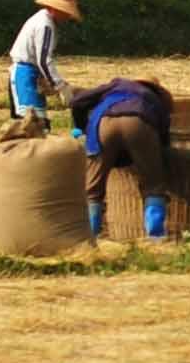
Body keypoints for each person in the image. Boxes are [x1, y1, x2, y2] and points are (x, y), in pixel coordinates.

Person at [69, 74, 174, 241]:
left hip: (104, 123)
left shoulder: (116, 85)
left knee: (93, 188)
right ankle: (155, 236)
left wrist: (82, 127)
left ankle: (88, 236)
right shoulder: (155, 99)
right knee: (154, 183)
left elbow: (76, 101)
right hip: (139, 122)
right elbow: (163, 135)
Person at [4, 0, 81, 130]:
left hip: (31, 74)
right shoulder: (45, 25)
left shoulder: (43, 19)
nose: (67, 16)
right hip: (25, 76)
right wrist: (58, 85)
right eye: (66, 12)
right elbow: (44, 60)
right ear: (56, 9)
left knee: (34, 125)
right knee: (33, 126)